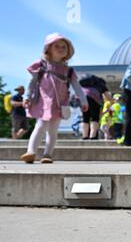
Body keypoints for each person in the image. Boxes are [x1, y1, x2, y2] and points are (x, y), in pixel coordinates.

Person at [20, 33, 88, 164]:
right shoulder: (41, 66)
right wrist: (27, 96)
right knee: (40, 125)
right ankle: (31, 151)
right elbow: (32, 82)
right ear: (48, 49)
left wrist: (83, 100)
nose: (61, 49)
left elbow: (77, 86)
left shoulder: (68, 71)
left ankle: (48, 154)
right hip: (43, 101)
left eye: (64, 47)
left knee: (52, 130)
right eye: (57, 46)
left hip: (60, 104)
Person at [79, 74, 113, 140]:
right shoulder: (101, 83)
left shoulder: (87, 84)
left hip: (82, 97)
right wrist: (112, 101)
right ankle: (93, 136)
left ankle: (84, 136)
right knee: (94, 118)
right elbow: (107, 96)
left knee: (85, 118)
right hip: (93, 99)